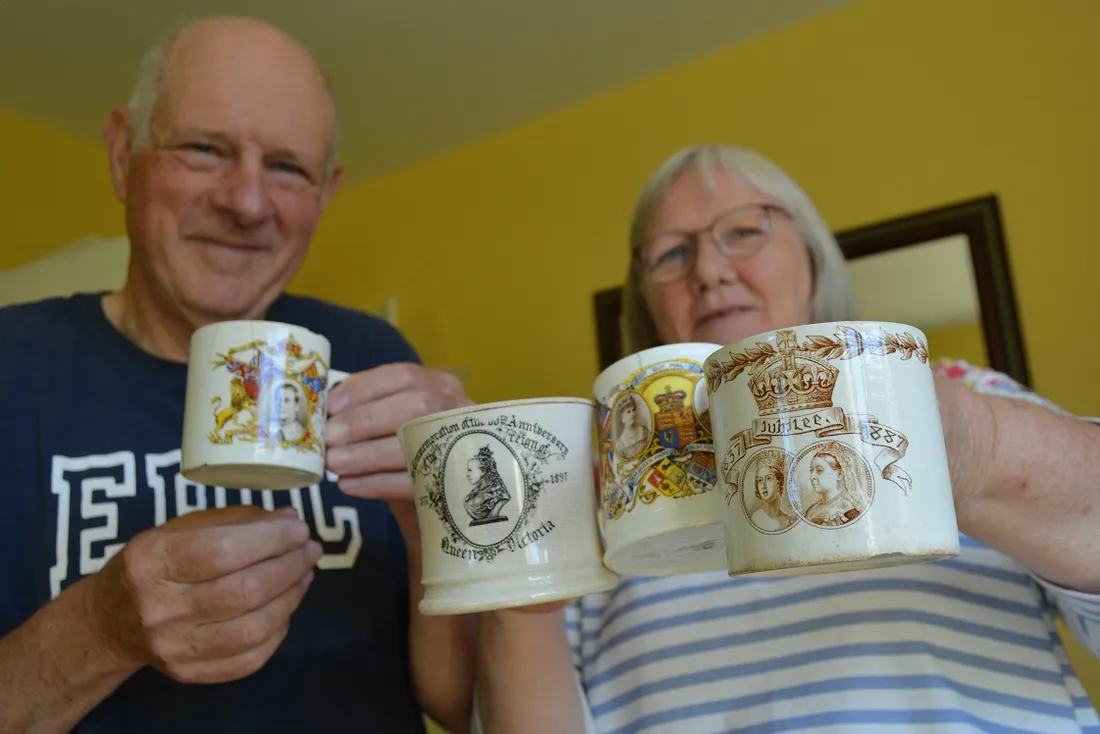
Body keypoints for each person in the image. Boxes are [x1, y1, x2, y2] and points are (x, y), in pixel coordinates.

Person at [473, 145, 1100, 733]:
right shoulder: (605, 478)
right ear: (644, 300)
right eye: (670, 254)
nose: (711, 271)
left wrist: (968, 442)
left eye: (745, 231)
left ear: (813, 255)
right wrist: (522, 575)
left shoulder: (954, 395)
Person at [0, 17, 476, 733]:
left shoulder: (377, 353)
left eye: (287, 167)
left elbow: (459, 701)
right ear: (123, 152)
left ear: (326, 191)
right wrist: (98, 630)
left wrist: (450, 513)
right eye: (203, 148)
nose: (247, 202)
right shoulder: (13, 364)